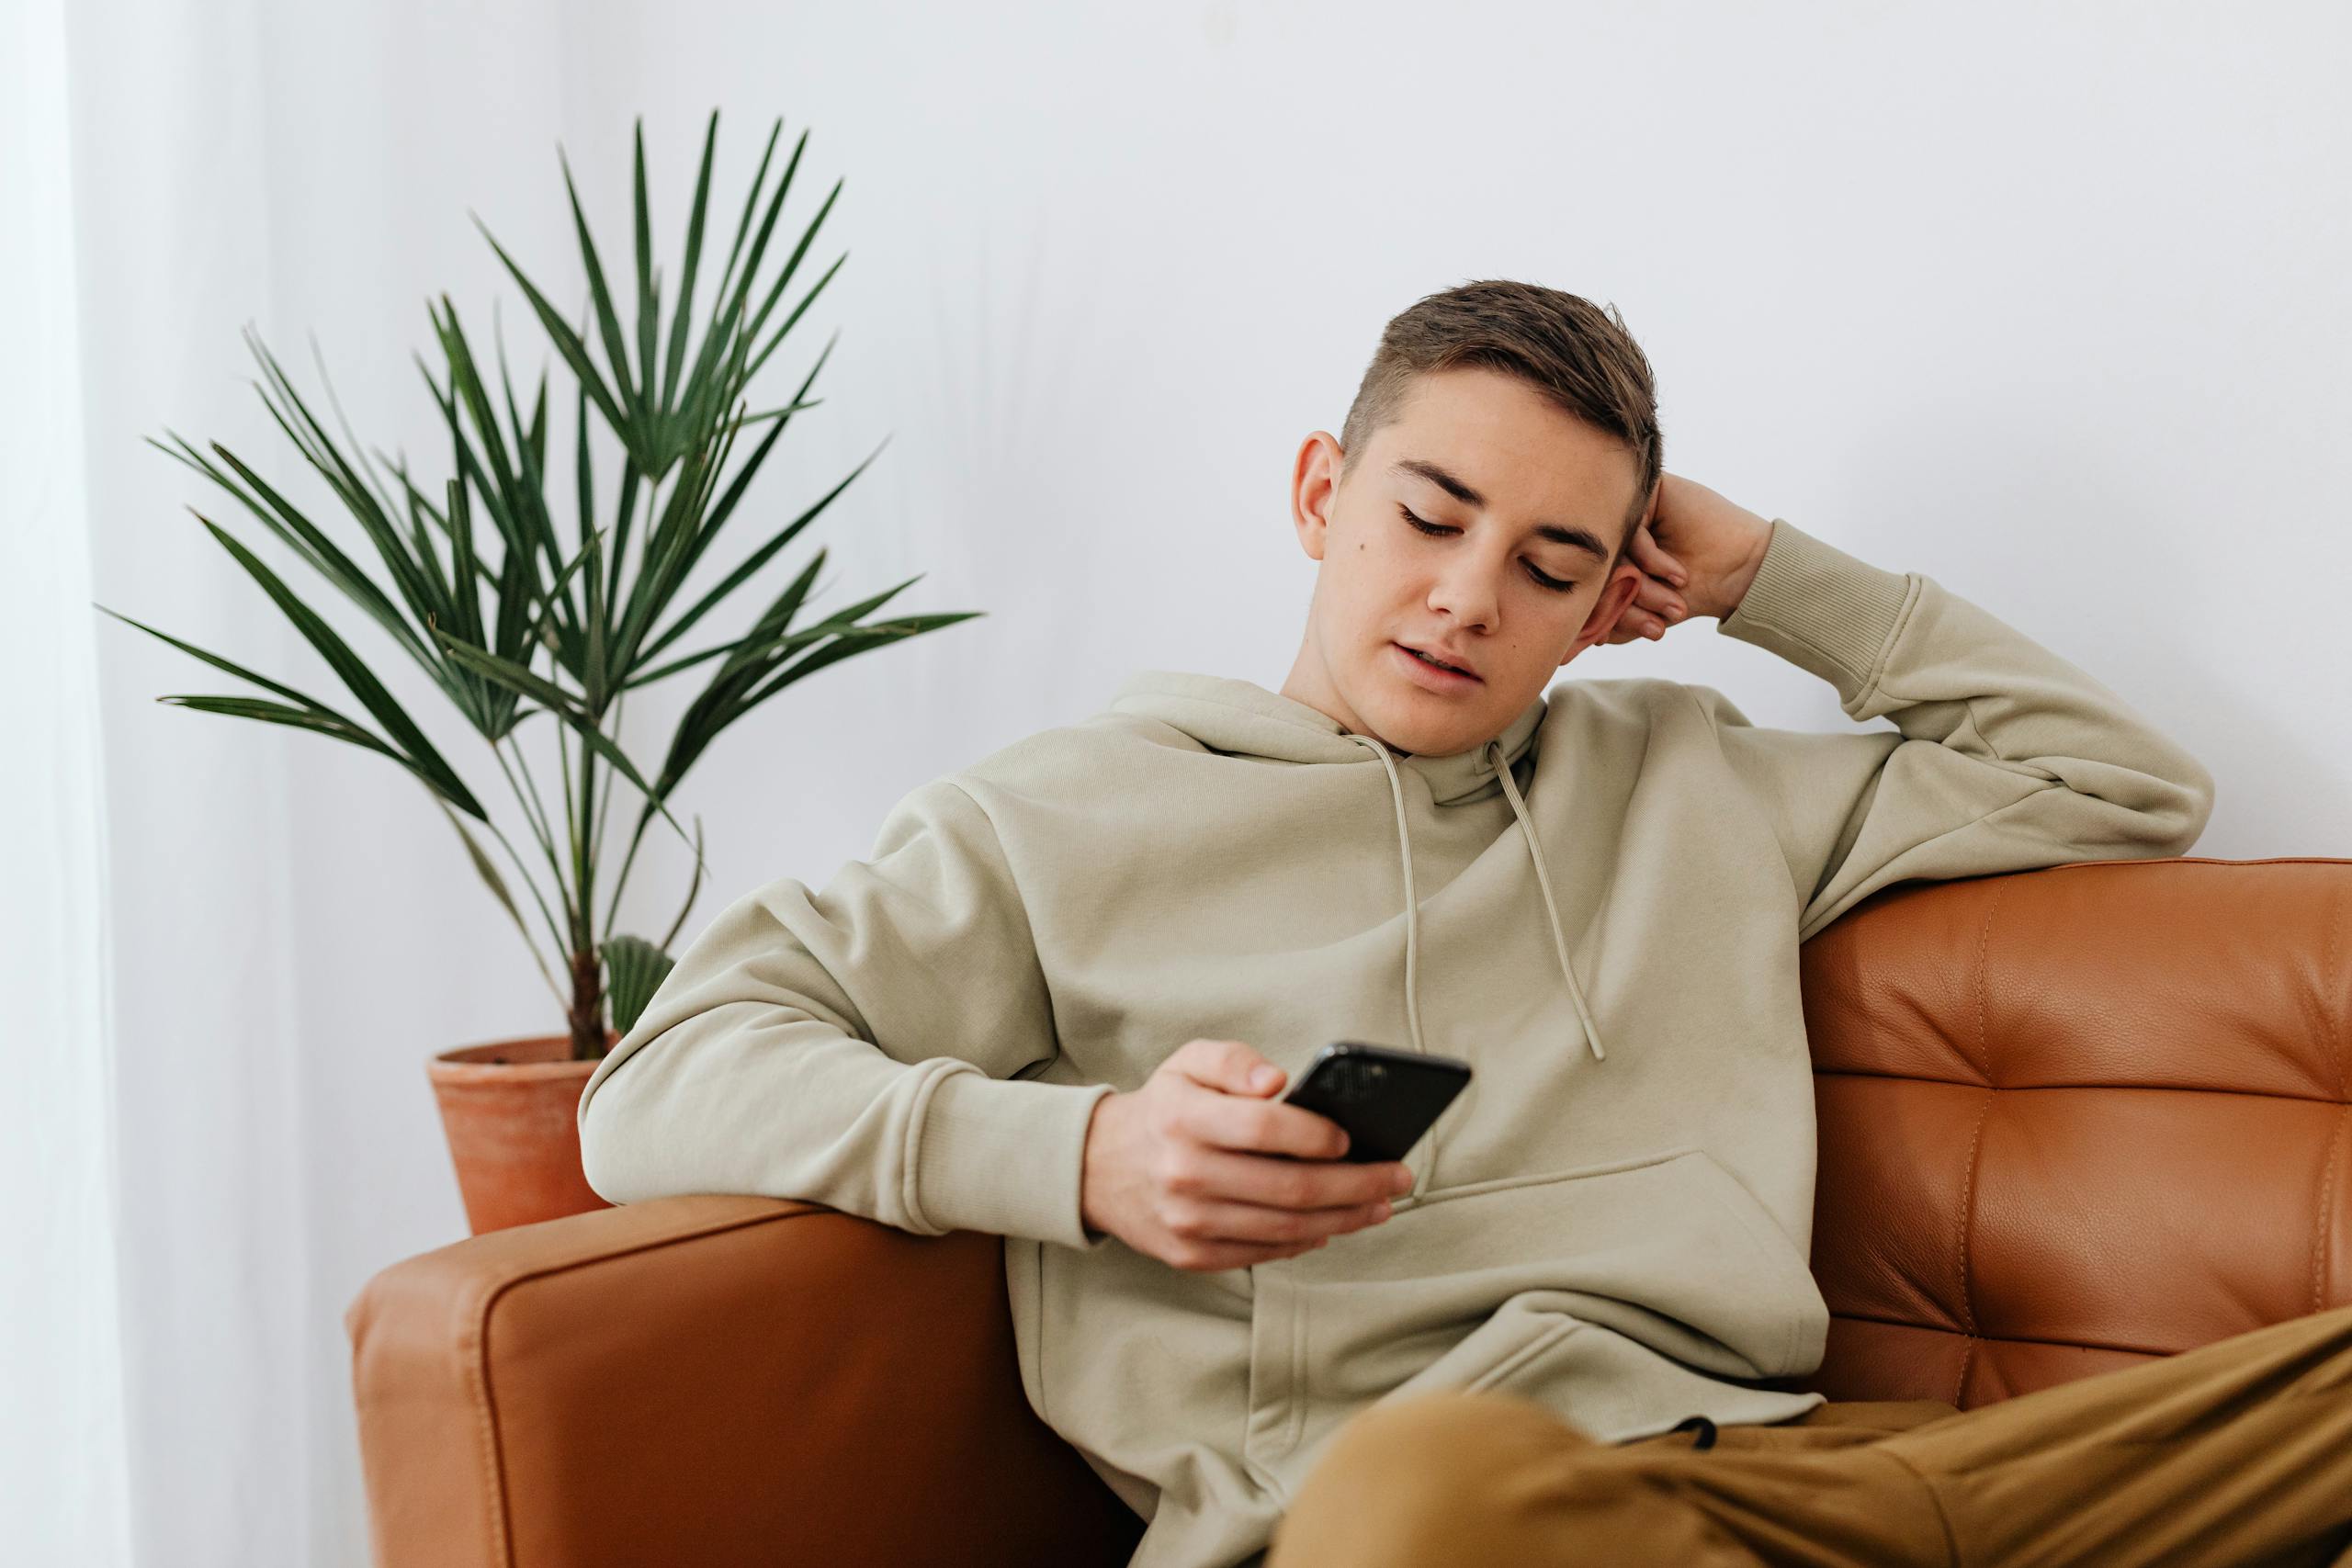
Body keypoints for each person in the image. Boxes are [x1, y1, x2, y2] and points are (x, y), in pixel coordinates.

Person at [575, 279, 2339, 1568]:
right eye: (1430, 517)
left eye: (1552, 565)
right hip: (1404, 1513)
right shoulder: (1055, 822)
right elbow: (652, 1086)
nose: (1468, 597)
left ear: (1608, 604)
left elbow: (2123, 785)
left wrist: (1762, 578)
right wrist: (1085, 1156)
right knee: (1419, 1490)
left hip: (1802, 1482)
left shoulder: (1690, 781)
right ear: (1319, 494)